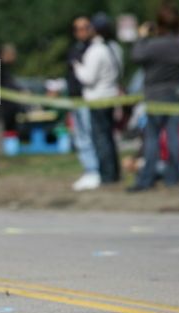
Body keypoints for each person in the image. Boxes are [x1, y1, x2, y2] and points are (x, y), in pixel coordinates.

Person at [128, 4, 179, 192]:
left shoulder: (153, 45)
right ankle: (173, 176)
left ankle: (146, 178)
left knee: (152, 138)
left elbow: (135, 56)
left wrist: (143, 36)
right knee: (173, 136)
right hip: (175, 92)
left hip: (154, 93)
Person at [73, 13, 123, 185]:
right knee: (109, 137)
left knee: (100, 138)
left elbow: (88, 77)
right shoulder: (114, 48)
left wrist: (77, 65)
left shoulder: (96, 50)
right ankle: (113, 173)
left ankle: (107, 175)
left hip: (97, 98)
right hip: (110, 96)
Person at [68, 16, 101, 191]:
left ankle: (94, 170)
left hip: (89, 99)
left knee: (90, 135)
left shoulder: (95, 48)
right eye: (76, 28)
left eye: (84, 28)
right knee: (80, 137)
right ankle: (89, 170)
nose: (80, 32)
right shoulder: (75, 48)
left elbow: (87, 76)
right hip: (75, 98)